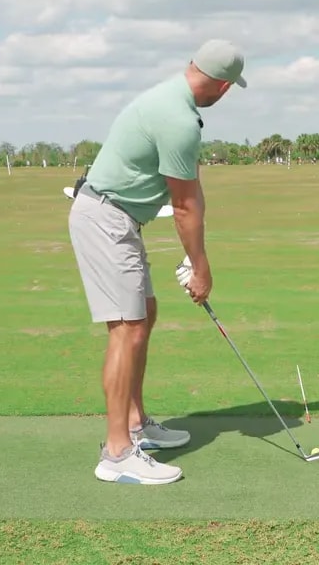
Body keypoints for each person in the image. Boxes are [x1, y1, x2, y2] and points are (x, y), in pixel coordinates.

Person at [67, 38, 248, 485]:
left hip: (117, 218)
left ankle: (134, 423)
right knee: (126, 328)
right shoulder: (178, 119)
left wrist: (195, 256)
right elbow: (184, 206)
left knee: (142, 315)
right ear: (223, 87)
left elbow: (189, 192)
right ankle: (117, 452)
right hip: (107, 218)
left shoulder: (170, 98)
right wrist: (200, 267)